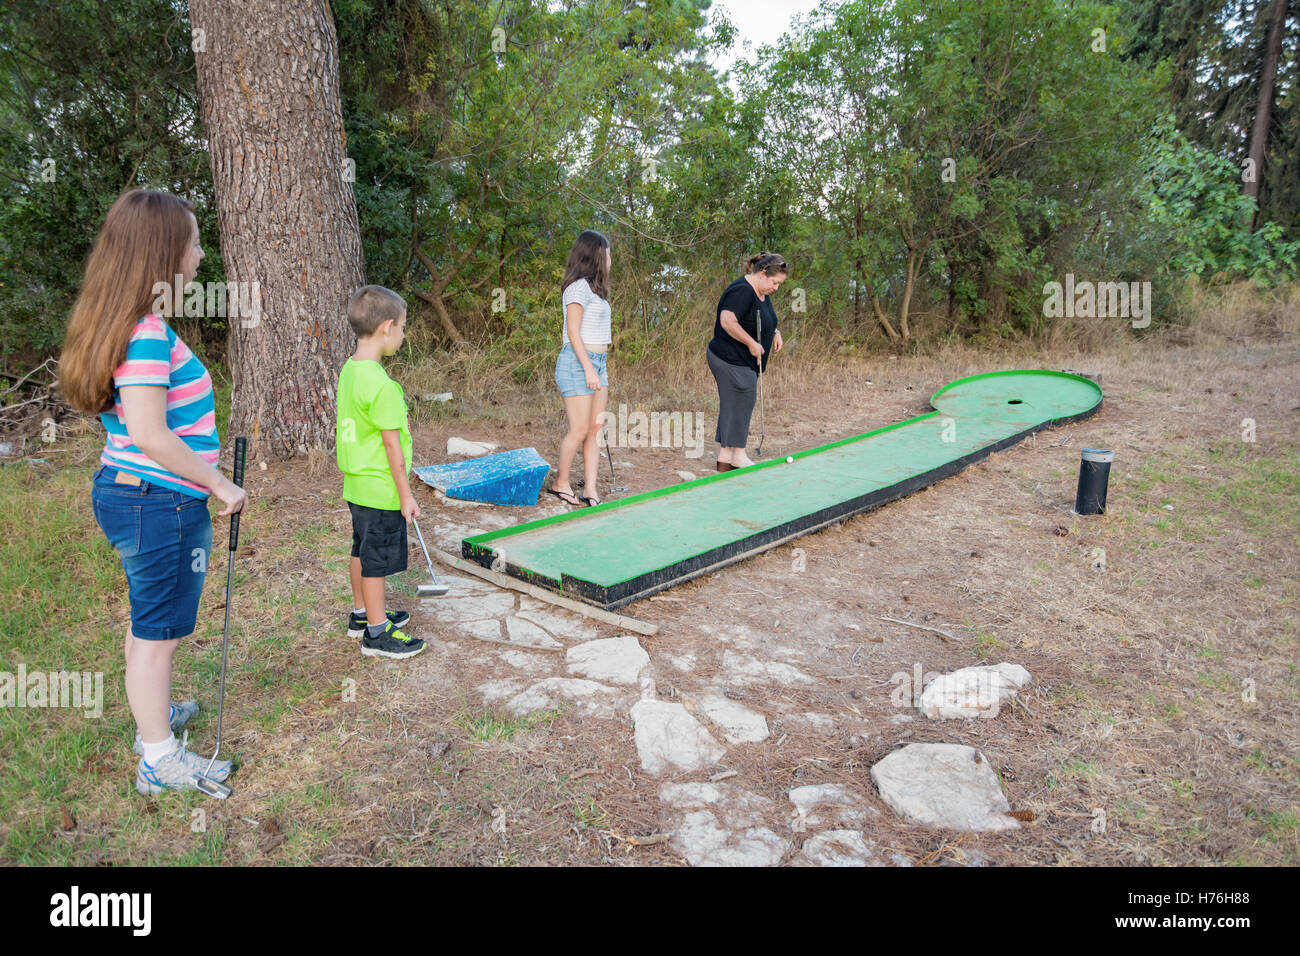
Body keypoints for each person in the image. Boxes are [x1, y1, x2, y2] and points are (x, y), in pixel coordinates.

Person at [60, 188, 248, 795]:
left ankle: (152, 717)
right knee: (158, 633)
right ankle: (159, 759)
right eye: (192, 240)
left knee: (150, 623)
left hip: (136, 492)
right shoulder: (144, 332)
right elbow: (148, 430)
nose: (199, 253)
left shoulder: (125, 321)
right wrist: (220, 483)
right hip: (157, 501)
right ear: (161, 251)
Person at [335, 285, 427, 659]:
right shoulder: (383, 386)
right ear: (387, 327)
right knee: (377, 561)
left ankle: (362, 613)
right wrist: (405, 495)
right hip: (380, 489)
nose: (403, 335)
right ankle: (377, 633)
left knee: (361, 548)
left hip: (355, 486)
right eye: (403, 328)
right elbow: (393, 448)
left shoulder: (350, 369)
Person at [549, 229, 613, 507]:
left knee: (594, 430)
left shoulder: (596, 291)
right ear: (595, 254)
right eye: (608, 253)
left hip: (598, 363)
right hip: (578, 363)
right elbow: (573, 332)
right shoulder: (577, 288)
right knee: (579, 429)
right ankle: (560, 482)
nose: (610, 258)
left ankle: (590, 488)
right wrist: (588, 368)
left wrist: (596, 367)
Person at [707, 251, 788, 470]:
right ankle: (739, 455)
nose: (776, 288)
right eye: (774, 282)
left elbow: (759, 316)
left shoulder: (761, 291)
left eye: (779, 284)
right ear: (763, 274)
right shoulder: (742, 291)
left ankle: (725, 457)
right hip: (729, 358)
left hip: (740, 360)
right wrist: (752, 343)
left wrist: (775, 331)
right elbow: (727, 321)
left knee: (732, 405)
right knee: (743, 401)